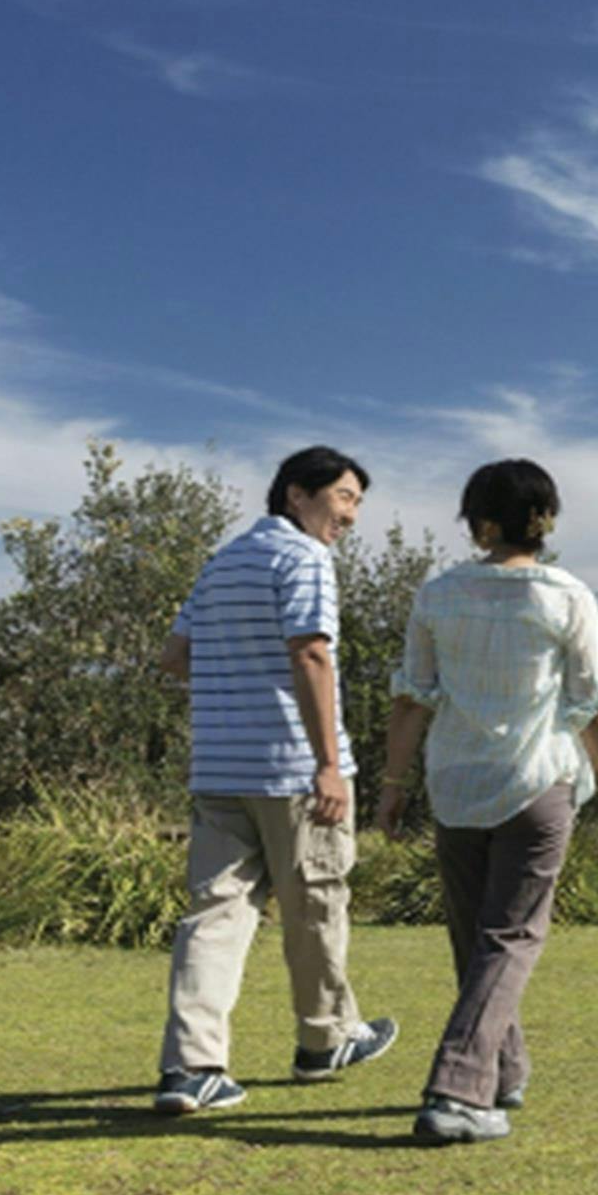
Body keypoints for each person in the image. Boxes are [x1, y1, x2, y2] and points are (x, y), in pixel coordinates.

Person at [376, 457, 598, 1145]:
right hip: (537, 781)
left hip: (455, 780)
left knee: (479, 937)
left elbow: (411, 697)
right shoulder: (567, 595)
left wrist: (393, 787)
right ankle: (459, 1090)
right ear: (544, 521)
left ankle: (501, 1072)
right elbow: (593, 704)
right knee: (507, 937)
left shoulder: (438, 594)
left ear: (481, 522)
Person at [152, 446, 398, 1114]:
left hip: (220, 769)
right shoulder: (303, 557)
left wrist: (235, 683)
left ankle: (192, 1067)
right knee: (315, 904)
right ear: (297, 494)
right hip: (294, 770)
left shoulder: (221, 562)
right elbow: (311, 652)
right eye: (344, 497)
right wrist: (327, 763)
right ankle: (325, 1039)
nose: (351, 515)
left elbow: (174, 658)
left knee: (215, 914)